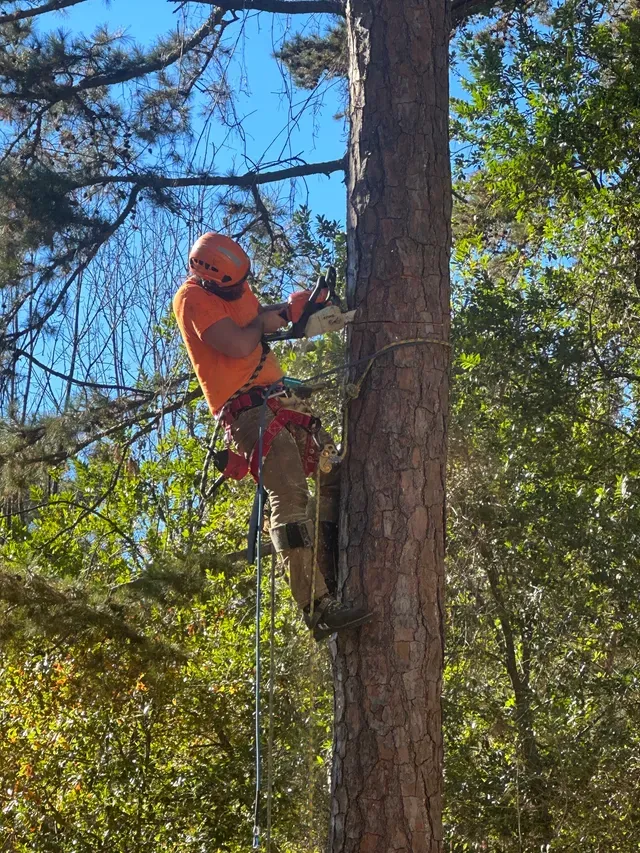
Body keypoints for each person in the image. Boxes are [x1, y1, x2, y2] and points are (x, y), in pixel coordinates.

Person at [173, 232, 372, 640]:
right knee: (289, 495)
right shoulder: (192, 300)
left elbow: (254, 316)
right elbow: (238, 342)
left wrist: (290, 311)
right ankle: (316, 608)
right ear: (210, 276)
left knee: (334, 471)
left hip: (280, 402)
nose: (240, 290)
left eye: (241, 282)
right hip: (248, 414)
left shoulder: (233, 287)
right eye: (233, 284)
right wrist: (271, 321)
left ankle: (332, 573)